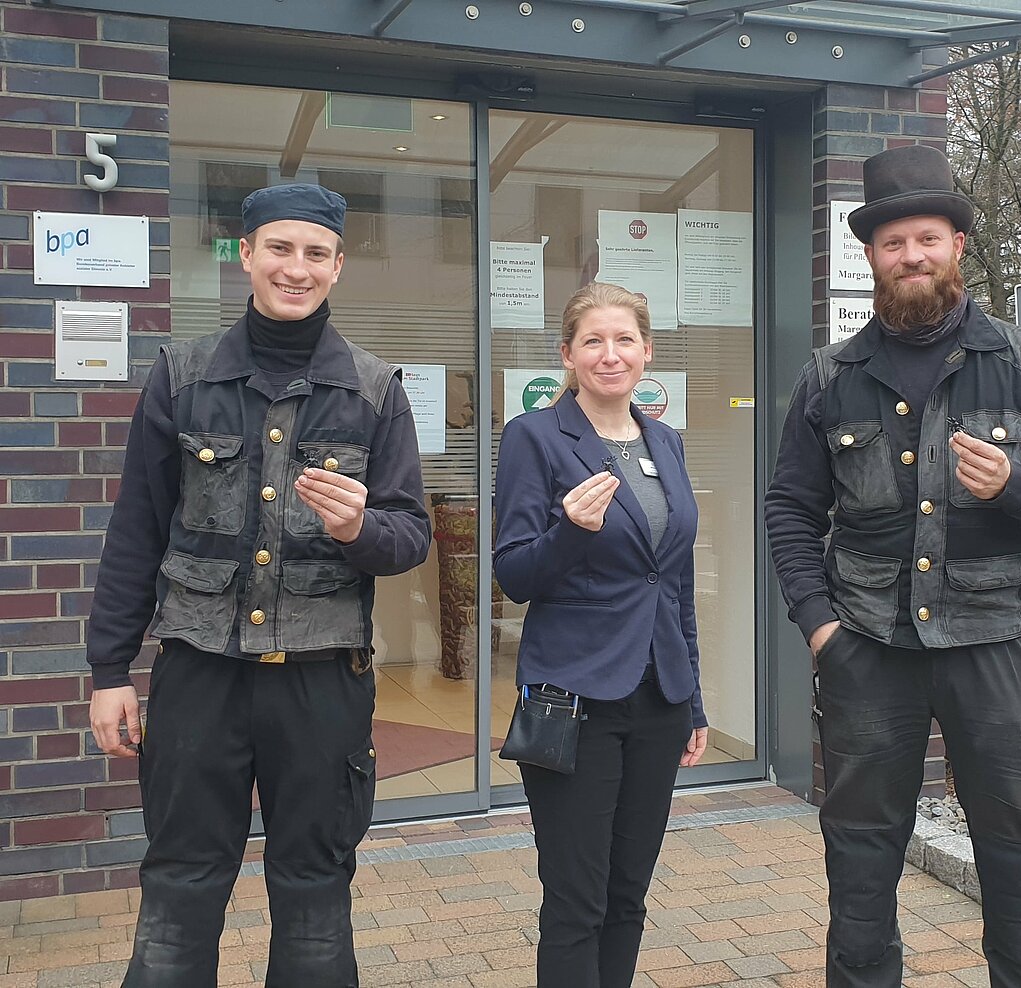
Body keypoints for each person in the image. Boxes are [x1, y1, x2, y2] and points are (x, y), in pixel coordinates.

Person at [765, 145, 1021, 988]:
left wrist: (1016, 482)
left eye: (927, 237)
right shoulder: (831, 377)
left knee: (1019, 866)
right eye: (893, 243)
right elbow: (789, 511)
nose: (911, 255)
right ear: (872, 257)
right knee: (858, 867)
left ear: (957, 244)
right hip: (866, 651)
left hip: (994, 646)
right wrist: (820, 629)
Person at [86, 183, 431, 987]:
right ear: (245, 254)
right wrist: (110, 671)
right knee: (180, 883)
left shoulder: (376, 392)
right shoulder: (182, 376)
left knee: (313, 892)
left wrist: (358, 529)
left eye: (316, 253)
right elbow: (136, 530)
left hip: (320, 688)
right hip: (199, 676)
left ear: (339, 266)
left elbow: (409, 536)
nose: (296, 268)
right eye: (279, 247)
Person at [493, 281, 707, 988]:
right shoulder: (535, 437)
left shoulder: (666, 441)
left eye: (624, 340)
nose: (609, 355)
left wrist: (694, 699)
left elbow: (673, 582)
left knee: (627, 897)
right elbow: (515, 574)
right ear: (568, 352)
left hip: (657, 699)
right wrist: (569, 531)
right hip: (574, 699)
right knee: (576, 902)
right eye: (593, 341)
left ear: (647, 352)